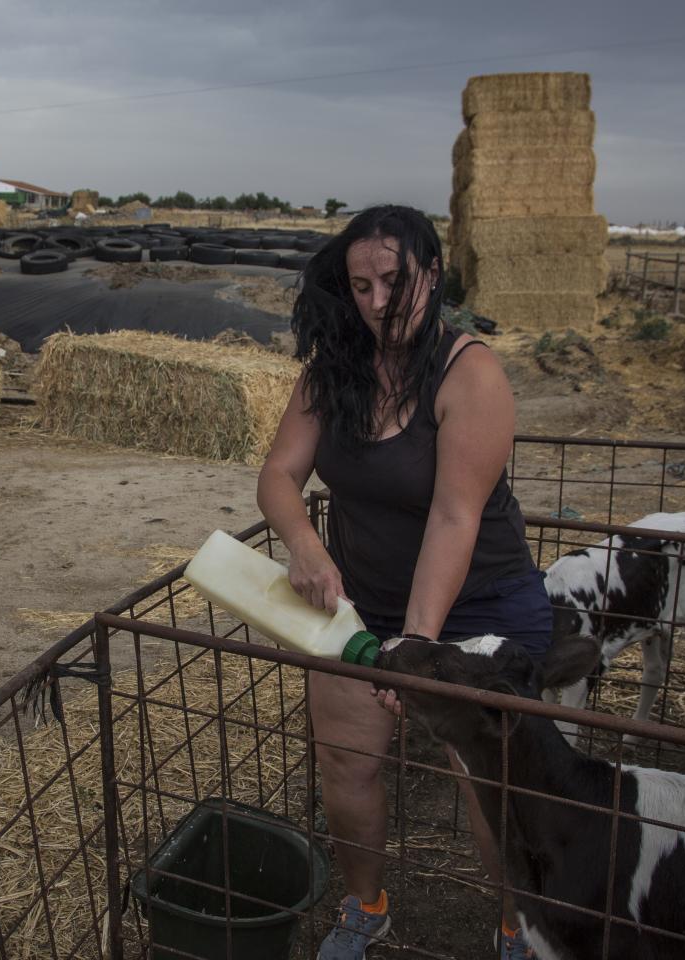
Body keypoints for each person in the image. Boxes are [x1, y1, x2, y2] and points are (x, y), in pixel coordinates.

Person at [255, 205, 553, 959]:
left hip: (479, 606)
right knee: (348, 763)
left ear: (432, 276)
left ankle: (520, 926)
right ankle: (367, 907)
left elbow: (455, 517)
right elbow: (279, 474)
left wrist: (417, 646)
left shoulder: (470, 372)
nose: (379, 302)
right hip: (362, 604)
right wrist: (304, 545)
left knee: (491, 788)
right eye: (361, 285)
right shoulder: (332, 372)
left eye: (395, 280)